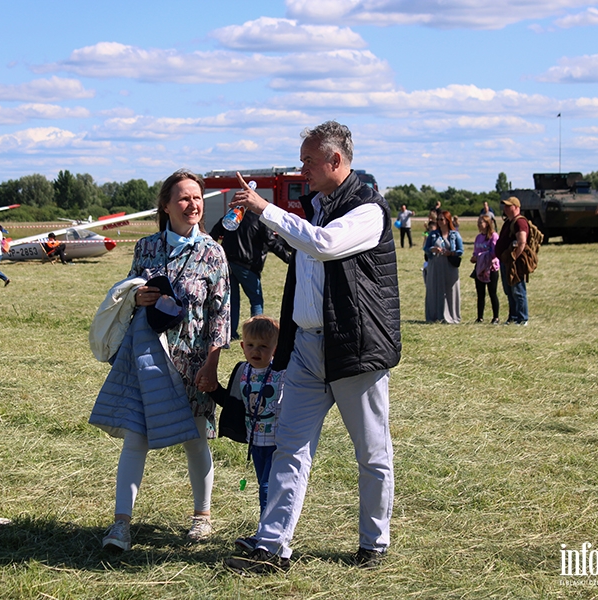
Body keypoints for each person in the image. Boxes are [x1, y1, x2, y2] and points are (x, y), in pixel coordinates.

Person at [222, 121, 400, 573]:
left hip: (353, 351)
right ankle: (271, 546)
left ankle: (373, 544)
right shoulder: (313, 207)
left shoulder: (368, 209)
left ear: (335, 161)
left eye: (308, 160)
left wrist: (267, 209)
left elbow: (324, 246)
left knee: (372, 454)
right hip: (305, 348)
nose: (303, 169)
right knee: (290, 447)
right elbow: (303, 250)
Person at [92, 169, 230, 553]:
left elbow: (221, 315)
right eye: (184, 198)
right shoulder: (146, 248)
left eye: (198, 198)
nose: (193, 205)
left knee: (195, 439)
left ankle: (201, 518)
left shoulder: (213, 252)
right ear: (166, 205)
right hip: (148, 358)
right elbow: (129, 291)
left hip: (193, 363)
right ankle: (121, 525)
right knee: (135, 438)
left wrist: (212, 366)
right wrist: (138, 298)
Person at [208, 315, 285, 534]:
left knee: (268, 487)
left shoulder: (281, 374)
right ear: (242, 346)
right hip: (255, 442)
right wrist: (213, 390)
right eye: (250, 345)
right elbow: (232, 404)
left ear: (275, 349)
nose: (256, 351)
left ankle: (267, 530)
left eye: (263, 346)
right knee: (263, 484)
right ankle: (269, 527)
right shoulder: (243, 372)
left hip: (277, 443)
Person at [209, 209, 291, 340]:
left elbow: (214, 233)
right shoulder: (260, 220)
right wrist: (289, 259)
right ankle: (257, 332)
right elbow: (272, 242)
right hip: (248, 265)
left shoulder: (232, 215)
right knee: (256, 299)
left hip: (228, 262)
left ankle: (231, 333)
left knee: (233, 300)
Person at [494, 196, 530, 325]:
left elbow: (522, 242)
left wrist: (514, 259)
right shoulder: (509, 221)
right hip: (506, 261)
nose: (505, 208)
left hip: (515, 262)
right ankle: (513, 317)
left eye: (508, 206)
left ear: (516, 207)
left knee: (518, 290)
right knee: (509, 290)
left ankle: (522, 318)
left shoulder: (520, 222)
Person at [423, 210, 463, 323]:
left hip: (449, 266)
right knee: (435, 289)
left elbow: (461, 250)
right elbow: (426, 249)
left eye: (442, 219)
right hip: (435, 265)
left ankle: (452, 316)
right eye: (438, 219)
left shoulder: (455, 234)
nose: (439, 222)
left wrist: (450, 253)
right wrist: (432, 249)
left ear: (447, 220)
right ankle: (435, 315)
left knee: (450, 290)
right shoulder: (433, 234)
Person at [470, 214, 500, 324]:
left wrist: (481, 256)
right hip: (480, 268)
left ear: (487, 224)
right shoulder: (478, 237)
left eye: (480, 222)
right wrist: (474, 257)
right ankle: (480, 317)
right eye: (478, 222)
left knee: (492, 293)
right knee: (480, 294)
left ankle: (496, 317)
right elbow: (475, 251)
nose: (478, 225)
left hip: (491, 268)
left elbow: (494, 253)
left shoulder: (494, 236)